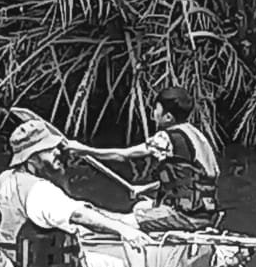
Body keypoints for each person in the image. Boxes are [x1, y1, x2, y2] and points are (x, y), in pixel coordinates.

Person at [0, 114, 149, 267]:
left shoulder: (1, 181)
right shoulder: (40, 190)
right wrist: (124, 230)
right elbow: (79, 215)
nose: (57, 152)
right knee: (118, 266)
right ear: (32, 159)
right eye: (48, 150)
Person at [65, 86, 222, 232]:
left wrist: (84, 150)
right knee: (140, 206)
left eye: (156, 109)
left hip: (186, 216)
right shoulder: (196, 135)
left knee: (119, 222)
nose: (153, 113)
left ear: (168, 117)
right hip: (206, 213)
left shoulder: (166, 138)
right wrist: (146, 188)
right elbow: (190, 181)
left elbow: (123, 155)